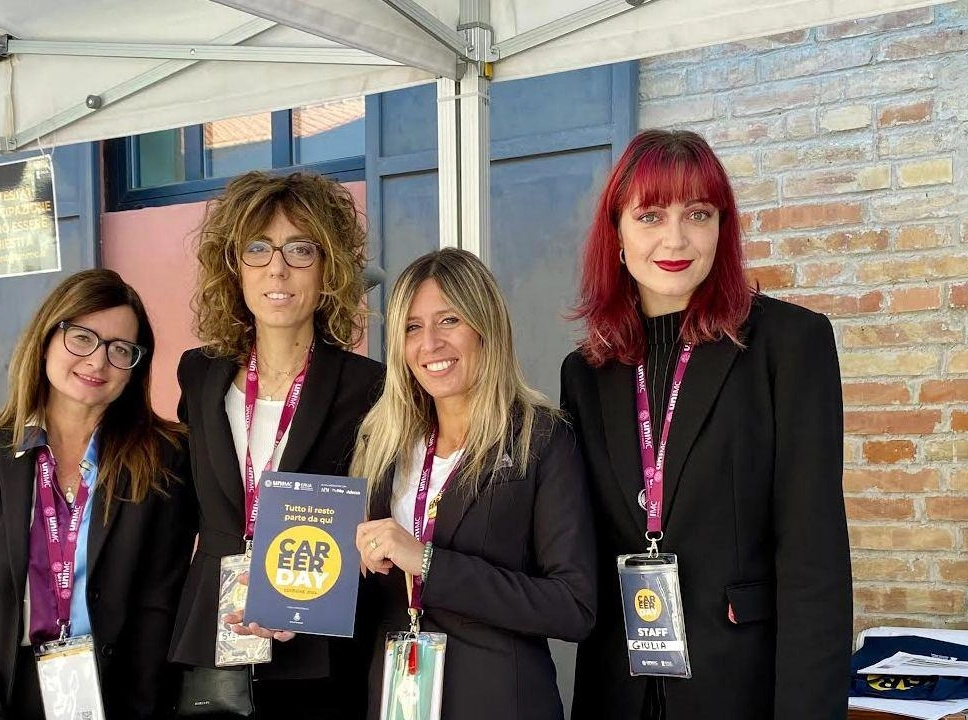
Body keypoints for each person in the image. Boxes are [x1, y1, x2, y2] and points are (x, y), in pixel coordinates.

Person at [562, 128, 851, 719]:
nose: (675, 237)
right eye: (649, 215)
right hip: (620, 688)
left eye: (698, 212)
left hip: (741, 686)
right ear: (615, 233)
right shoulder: (587, 371)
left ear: (723, 226)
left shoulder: (790, 345)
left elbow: (813, 562)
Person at [170, 171, 384, 719]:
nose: (278, 267)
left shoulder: (370, 386)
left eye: (300, 249)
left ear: (329, 267)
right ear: (235, 265)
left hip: (317, 641)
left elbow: (378, 515)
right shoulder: (199, 373)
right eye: (258, 248)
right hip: (215, 636)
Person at [0, 269, 192, 720]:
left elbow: (159, 606)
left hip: (117, 696)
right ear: (47, 339)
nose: (98, 362)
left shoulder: (163, 459)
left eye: (120, 349)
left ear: (135, 366)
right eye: (83, 338)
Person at [353, 248, 596, 720]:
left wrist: (425, 562)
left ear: (486, 328)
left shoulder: (540, 438)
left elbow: (573, 606)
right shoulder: (381, 444)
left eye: (449, 321)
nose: (430, 344)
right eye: (412, 328)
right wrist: (291, 606)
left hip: (500, 700)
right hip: (399, 699)